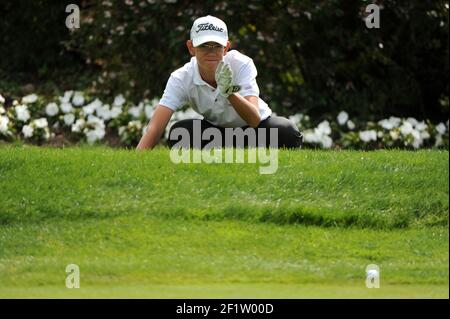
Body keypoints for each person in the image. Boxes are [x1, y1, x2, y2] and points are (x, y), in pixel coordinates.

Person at [136, 15, 303, 150]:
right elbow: (155, 127)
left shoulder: (242, 64)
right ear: (191, 47)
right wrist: (137, 163)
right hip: (217, 133)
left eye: (216, 46)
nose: (211, 52)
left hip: (255, 130)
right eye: (204, 46)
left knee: (287, 132)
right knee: (179, 133)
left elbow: (254, 120)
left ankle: (239, 148)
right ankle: (236, 150)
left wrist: (229, 91)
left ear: (226, 47)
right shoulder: (181, 77)